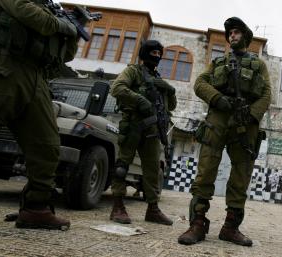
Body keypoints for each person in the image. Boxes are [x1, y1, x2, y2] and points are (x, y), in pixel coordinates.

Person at [178, 17, 271, 246]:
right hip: (217, 119)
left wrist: (250, 115)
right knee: (206, 169)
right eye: (230, 33)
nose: (232, 36)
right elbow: (200, 83)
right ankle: (197, 223)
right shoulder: (218, 62)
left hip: (245, 121)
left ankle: (231, 227)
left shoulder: (258, 65)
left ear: (246, 38)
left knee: (241, 174)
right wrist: (217, 98)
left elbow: (267, 95)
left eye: (237, 32)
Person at [0, 0, 79, 230]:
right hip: (3, 65)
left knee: (47, 146)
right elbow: (36, 19)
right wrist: (63, 24)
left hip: (36, 76)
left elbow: (66, 56)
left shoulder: (52, 7)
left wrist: (76, 29)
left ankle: (35, 208)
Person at [110, 40, 177, 226]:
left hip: (153, 131)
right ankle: (117, 205)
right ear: (145, 54)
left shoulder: (159, 79)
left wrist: (169, 90)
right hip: (132, 126)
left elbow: (170, 106)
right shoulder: (134, 71)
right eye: (153, 53)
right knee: (122, 166)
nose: (156, 56)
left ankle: (152, 209)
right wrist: (139, 99)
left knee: (153, 171)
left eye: (158, 53)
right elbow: (116, 88)